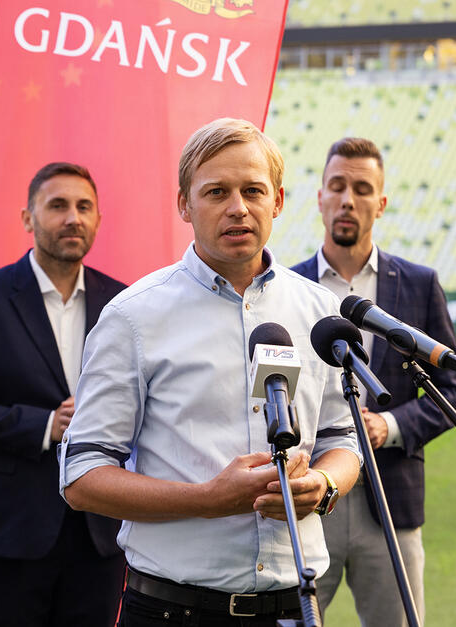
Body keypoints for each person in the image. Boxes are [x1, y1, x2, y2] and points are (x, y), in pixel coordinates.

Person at [60, 118, 362, 626]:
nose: (238, 207)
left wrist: (325, 485)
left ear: (279, 201)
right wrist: (206, 500)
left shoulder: (319, 310)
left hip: (294, 606)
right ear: (184, 204)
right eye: (217, 191)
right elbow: (82, 476)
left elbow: (343, 438)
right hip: (172, 610)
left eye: (253, 190)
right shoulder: (133, 317)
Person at [0, 162, 127, 627]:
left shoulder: (123, 303)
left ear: (98, 219)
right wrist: (44, 425)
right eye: (57, 205)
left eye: (84, 207)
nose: (72, 217)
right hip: (9, 531)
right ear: (27, 217)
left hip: (100, 531)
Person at [291, 137, 456, 626]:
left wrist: (388, 426)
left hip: (389, 500)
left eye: (362, 188)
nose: (348, 198)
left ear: (381, 203)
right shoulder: (287, 289)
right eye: (337, 186)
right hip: (308, 501)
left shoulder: (417, 284)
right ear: (320, 197)